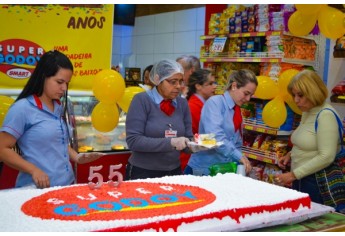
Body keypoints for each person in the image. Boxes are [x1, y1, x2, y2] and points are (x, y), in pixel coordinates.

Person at [0, 50, 104, 189]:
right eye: (59, 82)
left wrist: (77, 157)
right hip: (35, 189)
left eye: (67, 83)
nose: (64, 88)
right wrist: (33, 170)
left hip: (66, 183)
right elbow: (2, 148)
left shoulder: (58, 106)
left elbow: (56, 142)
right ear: (43, 77)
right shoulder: (22, 108)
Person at [275, 69, 343, 205]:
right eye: (294, 95)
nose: (296, 100)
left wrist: (293, 175)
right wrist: (290, 154)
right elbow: (308, 140)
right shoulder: (308, 111)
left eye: (300, 95)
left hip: (317, 182)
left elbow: (326, 156)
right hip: (302, 178)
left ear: (313, 92)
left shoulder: (325, 115)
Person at [125, 59, 194, 180]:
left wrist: (195, 145)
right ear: (157, 80)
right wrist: (171, 143)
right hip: (143, 172)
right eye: (173, 82)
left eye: (180, 81)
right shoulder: (142, 101)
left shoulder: (182, 103)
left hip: (174, 172)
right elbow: (134, 141)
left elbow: (187, 138)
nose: (178, 86)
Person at [184, 69, 258, 176]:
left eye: (251, 95)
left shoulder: (236, 110)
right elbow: (215, 137)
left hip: (222, 169)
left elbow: (236, 142)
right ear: (234, 86)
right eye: (246, 93)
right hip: (204, 169)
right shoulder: (215, 103)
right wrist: (238, 156)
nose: (248, 99)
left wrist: (242, 161)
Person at [180, 69, 217, 171]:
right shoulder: (193, 107)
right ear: (198, 86)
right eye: (210, 83)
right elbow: (190, 138)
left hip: (198, 158)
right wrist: (216, 140)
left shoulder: (203, 104)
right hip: (189, 160)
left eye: (214, 83)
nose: (215, 86)